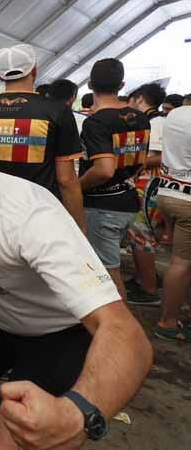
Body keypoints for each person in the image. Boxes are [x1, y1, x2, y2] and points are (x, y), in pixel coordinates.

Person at [0, 106, 152, 450]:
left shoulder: (26, 213)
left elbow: (127, 335)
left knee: (13, 429)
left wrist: (76, 414)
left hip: (60, 329)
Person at [0, 45, 84, 232]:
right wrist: (79, 228)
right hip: (39, 218)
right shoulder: (57, 112)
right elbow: (66, 179)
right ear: (34, 71)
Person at [79, 59, 151, 298]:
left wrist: (76, 187)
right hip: (128, 199)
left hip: (103, 206)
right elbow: (140, 162)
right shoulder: (140, 118)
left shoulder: (96, 122)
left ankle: (120, 327)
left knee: (106, 272)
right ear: (121, 84)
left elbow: (104, 169)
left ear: (90, 84)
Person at [125, 82, 167, 306]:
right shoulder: (149, 121)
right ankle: (141, 279)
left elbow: (160, 156)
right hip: (142, 181)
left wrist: (132, 163)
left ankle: (149, 289)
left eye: (131, 100)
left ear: (139, 99)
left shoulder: (157, 122)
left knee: (142, 235)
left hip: (148, 182)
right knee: (136, 235)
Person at [153, 105, 191, 341]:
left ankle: (179, 311)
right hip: (189, 199)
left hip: (167, 190)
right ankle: (167, 322)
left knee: (182, 263)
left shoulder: (177, 114)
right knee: (182, 264)